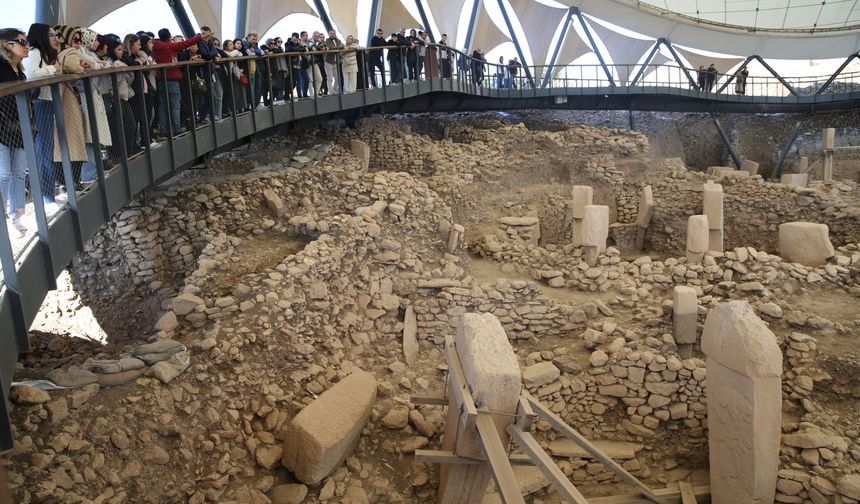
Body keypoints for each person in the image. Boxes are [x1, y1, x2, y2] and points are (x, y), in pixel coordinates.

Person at [25, 23, 62, 214]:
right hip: (41, 104)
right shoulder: (35, 53)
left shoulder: (42, 54)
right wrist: (52, 69)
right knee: (44, 153)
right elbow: (31, 74)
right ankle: (47, 197)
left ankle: (48, 196)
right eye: (51, 35)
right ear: (41, 36)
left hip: (45, 104)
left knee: (47, 151)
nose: (55, 38)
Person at [0, 28, 30, 235]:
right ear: (6, 45)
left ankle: (16, 215)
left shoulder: (19, 69)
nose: (26, 45)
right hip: (2, 126)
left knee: (19, 173)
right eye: (21, 41)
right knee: (4, 173)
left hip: (20, 126)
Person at [53, 26, 89, 192]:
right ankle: (74, 181)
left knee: (61, 145)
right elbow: (75, 68)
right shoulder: (71, 53)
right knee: (76, 141)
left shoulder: (55, 55)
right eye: (75, 39)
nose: (78, 43)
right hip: (69, 100)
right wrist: (84, 67)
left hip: (58, 100)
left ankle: (65, 182)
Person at [152, 28, 205, 135]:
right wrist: (200, 37)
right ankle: (176, 128)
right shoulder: (170, 46)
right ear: (169, 36)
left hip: (160, 80)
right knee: (175, 105)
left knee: (163, 106)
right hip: (173, 79)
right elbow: (186, 43)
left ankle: (163, 128)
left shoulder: (155, 47)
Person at [105, 37, 138, 158]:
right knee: (125, 126)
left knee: (127, 126)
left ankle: (126, 153)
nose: (121, 52)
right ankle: (124, 153)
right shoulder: (112, 64)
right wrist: (122, 70)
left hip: (121, 98)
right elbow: (124, 79)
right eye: (118, 49)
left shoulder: (111, 63)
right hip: (117, 98)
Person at [323, 29, 343, 94]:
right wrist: (339, 47)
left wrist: (339, 47)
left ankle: (334, 90)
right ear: (329, 34)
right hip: (329, 61)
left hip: (336, 61)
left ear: (335, 34)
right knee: (330, 78)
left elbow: (342, 46)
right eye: (331, 33)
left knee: (337, 78)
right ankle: (330, 92)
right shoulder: (327, 40)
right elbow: (330, 47)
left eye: (333, 33)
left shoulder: (338, 40)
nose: (332, 34)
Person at [308, 32, 326, 96]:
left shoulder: (318, 42)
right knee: (310, 79)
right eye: (315, 36)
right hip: (309, 63)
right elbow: (313, 49)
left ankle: (316, 93)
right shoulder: (309, 41)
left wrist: (322, 45)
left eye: (318, 36)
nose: (317, 38)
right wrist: (320, 47)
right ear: (312, 36)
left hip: (315, 62)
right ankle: (311, 94)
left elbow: (325, 47)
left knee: (319, 79)